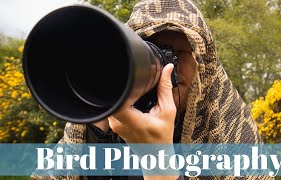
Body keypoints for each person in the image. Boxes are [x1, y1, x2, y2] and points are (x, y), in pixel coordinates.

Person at [31, 0, 267, 179]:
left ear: (203, 63)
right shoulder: (113, 105)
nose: (167, 67)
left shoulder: (227, 124)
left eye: (177, 54)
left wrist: (158, 162)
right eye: (153, 50)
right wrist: (97, 130)